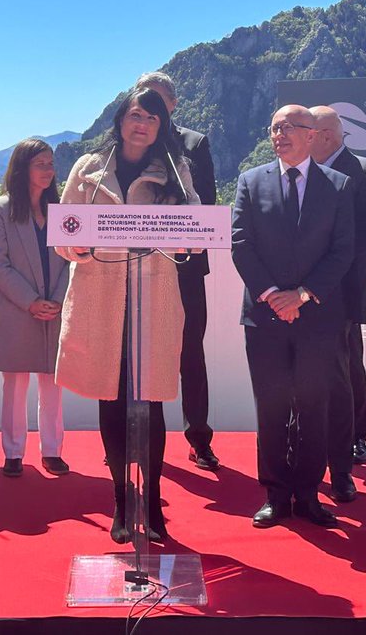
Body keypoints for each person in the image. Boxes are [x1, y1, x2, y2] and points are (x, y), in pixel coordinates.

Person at [55, 87, 199, 543]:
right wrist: (73, 245)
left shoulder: (176, 169)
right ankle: (120, 498)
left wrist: (186, 233)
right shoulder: (87, 169)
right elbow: (66, 231)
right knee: (110, 399)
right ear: (119, 121)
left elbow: (195, 232)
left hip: (153, 299)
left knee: (151, 402)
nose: (143, 124)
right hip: (102, 299)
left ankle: (153, 501)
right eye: (136, 115)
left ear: (161, 128)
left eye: (152, 119)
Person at [231, 105, 355, 529]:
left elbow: (343, 250)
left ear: (312, 135)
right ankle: (275, 494)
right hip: (265, 317)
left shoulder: (338, 186)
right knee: (271, 405)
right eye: (275, 128)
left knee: (313, 406)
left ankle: (308, 493)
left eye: (288, 128)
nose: (279, 134)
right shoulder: (250, 181)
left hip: (317, 316)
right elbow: (241, 245)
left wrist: (301, 296)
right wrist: (272, 296)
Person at [136, 71, 220, 471]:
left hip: (185, 266)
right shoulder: (128, 146)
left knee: (190, 352)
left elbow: (204, 209)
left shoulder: (193, 144)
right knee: (138, 352)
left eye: (157, 99)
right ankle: (138, 438)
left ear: (172, 104)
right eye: (143, 98)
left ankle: (199, 439)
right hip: (137, 268)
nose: (149, 106)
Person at [310, 104, 366, 492]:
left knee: (346, 360)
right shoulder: (302, 170)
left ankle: (357, 433)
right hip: (303, 287)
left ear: (325, 135)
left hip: (343, 285)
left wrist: (325, 265)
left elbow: (365, 234)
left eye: (309, 132)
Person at [0, 138, 70, 477]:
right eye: (41, 164)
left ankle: (52, 451)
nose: (49, 170)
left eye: (51, 164)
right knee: (15, 385)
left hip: (55, 308)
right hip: (17, 311)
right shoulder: (1, 209)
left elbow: (73, 259)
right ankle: (13, 453)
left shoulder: (62, 209)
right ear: (23, 169)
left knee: (53, 384)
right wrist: (31, 302)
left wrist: (59, 299)